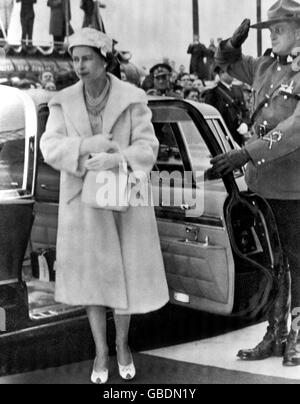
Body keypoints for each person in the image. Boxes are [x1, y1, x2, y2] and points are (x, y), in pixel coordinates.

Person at [40, 28, 169, 384]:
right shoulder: (62, 100)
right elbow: (49, 146)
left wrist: (117, 159)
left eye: (86, 58)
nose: (79, 65)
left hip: (124, 197)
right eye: (75, 58)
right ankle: (100, 351)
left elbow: (148, 148)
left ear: (103, 58)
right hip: (84, 203)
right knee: (92, 280)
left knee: (125, 276)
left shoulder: (133, 97)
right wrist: (85, 147)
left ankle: (123, 346)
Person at [211, 0, 300, 367]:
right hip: (264, 183)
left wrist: (247, 152)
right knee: (275, 262)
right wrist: (231, 44)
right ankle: (275, 332)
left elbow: (294, 128)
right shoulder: (264, 65)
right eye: (271, 30)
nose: (274, 35)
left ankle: (298, 336)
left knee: (299, 260)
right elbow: (225, 65)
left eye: (280, 29)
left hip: (295, 185)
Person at [203, 67, 249, 146]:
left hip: (238, 134)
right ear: (221, 74)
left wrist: (245, 123)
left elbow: (244, 110)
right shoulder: (213, 92)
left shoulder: (237, 89)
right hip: (223, 136)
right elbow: (209, 116)